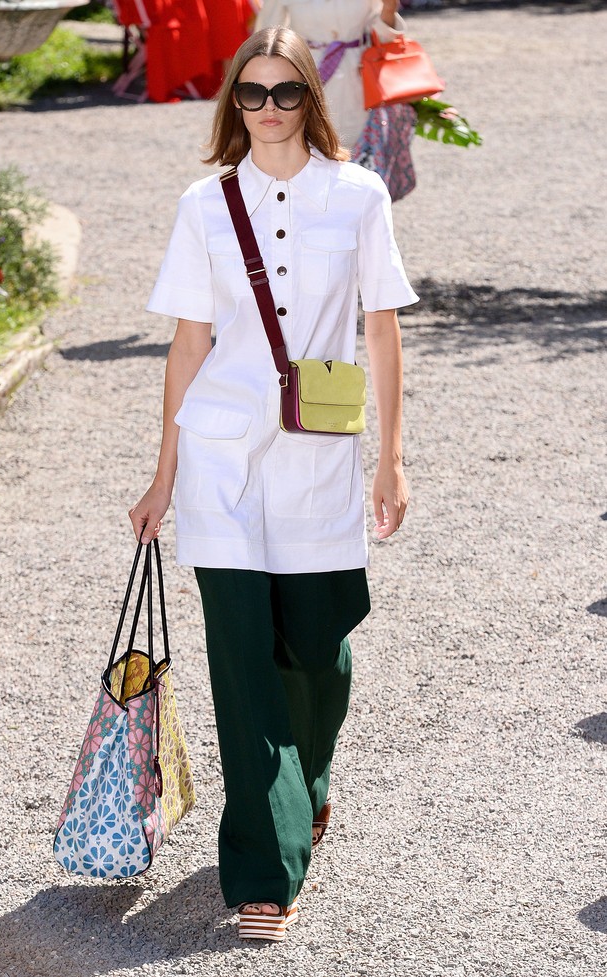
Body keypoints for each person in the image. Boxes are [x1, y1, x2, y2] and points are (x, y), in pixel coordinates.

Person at [129, 25, 418, 939]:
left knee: (318, 653)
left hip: (318, 456)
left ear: (310, 100)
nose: (267, 109)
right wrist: (164, 474)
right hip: (221, 460)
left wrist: (392, 456)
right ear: (234, 104)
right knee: (244, 663)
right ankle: (265, 866)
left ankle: (307, 780)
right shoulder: (204, 204)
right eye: (250, 93)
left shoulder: (358, 195)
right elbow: (188, 344)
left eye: (285, 92)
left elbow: (382, 329)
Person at [256, 0, 418, 200]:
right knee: (308, 153)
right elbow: (266, 40)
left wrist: (389, 9)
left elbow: (383, 35)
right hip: (305, 79)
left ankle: (358, 211)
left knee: (357, 160)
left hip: (358, 81)